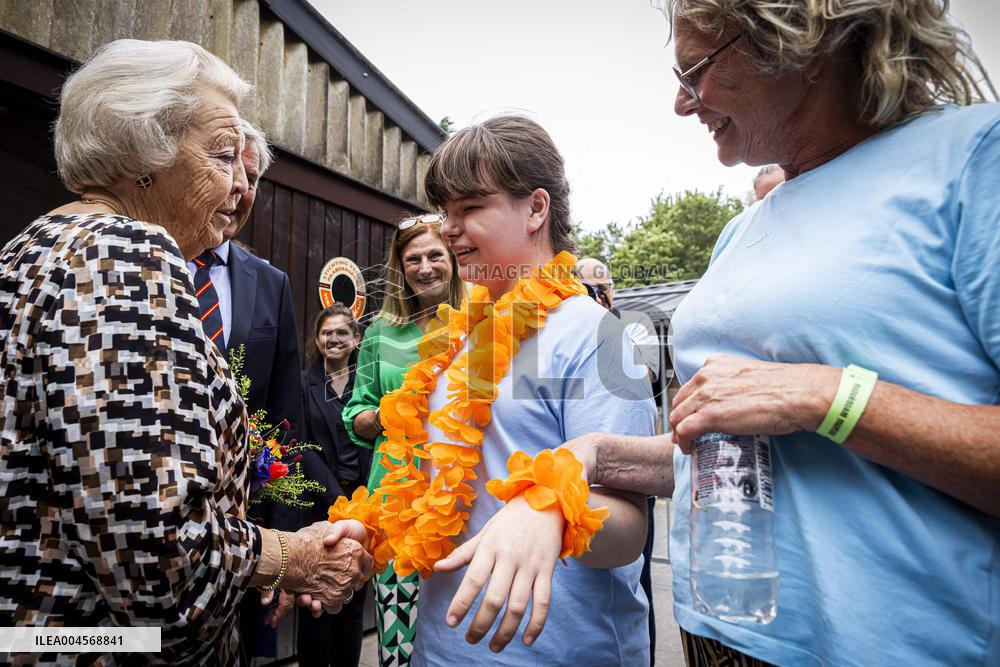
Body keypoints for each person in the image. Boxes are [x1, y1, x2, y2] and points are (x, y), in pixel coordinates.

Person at [562, 2, 1000, 664]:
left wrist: (829, 397)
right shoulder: (742, 231)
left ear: (801, 44)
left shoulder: (973, 158)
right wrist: (601, 454)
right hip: (724, 638)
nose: (683, 104)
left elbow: (798, 406)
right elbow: (745, 450)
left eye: (696, 72)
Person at [0, 39, 371, 665]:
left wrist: (251, 566)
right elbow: (159, 573)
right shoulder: (122, 257)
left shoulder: (34, 247)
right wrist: (288, 559)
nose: (241, 185)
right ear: (142, 156)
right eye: (224, 156)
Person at [395, 115, 655, 666]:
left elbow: (631, 529)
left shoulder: (596, 334)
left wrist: (554, 511)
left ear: (536, 209)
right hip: (442, 649)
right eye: (446, 212)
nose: (447, 229)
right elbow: (433, 486)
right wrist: (362, 528)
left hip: (558, 653)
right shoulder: (455, 338)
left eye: (470, 209)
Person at [194, 119, 306, 664]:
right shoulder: (140, 268)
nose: (241, 188)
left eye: (253, 176)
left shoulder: (271, 281)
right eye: (228, 168)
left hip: (246, 530)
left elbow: (286, 414)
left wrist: (284, 546)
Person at [342, 215, 464, 666]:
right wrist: (388, 412)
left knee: (461, 621)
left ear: (452, 258)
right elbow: (355, 414)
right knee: (399, 635)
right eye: (413, 259)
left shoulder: (479, 322)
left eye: (435, 255)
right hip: (396, 500)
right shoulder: (379, 333)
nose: (425, 267)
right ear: (401, 268)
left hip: (461, 495)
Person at [575, 256, 660, 666]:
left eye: (603, 285)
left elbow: (650, 376)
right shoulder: (570, 325)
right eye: (589, 286)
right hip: (583, 473)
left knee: (634, 576)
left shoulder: (629, 327)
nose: (599, 292)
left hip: (636, 467)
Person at [298, 304, 369, 667]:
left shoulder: (367, 385)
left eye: (342, 332)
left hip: (363, 507)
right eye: (327, 332)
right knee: (314, 603)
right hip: (317, 506)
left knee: (353, 602)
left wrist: (361, 501)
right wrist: (336, 497)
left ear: (356, 339)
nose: (334, 339)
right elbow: (301, 444)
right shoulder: (303, 383)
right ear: (317, 339)